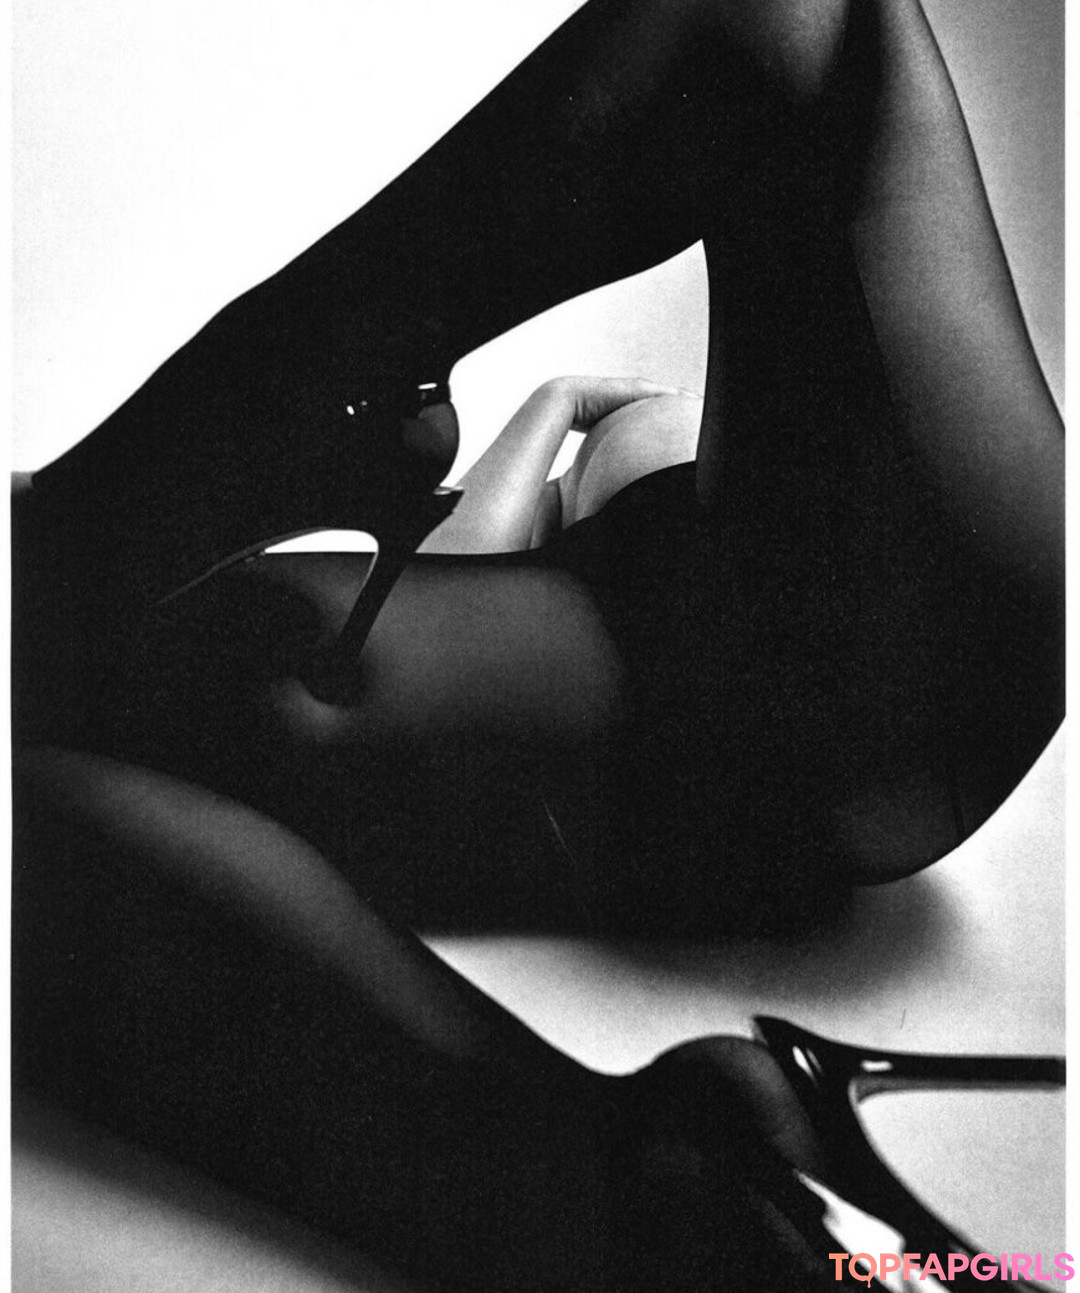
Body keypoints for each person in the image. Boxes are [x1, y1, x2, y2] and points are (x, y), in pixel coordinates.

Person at [11, 0, 1063, 1286]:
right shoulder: (633, 490)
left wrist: (558, 411)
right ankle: (649, 1175)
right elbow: (462, 541)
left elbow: (454, 532)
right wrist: (552, 413)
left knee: (788, 23)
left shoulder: (742, 435)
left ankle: (104, 511)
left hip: (821, 638)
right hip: (749, 685)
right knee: (167, 678)